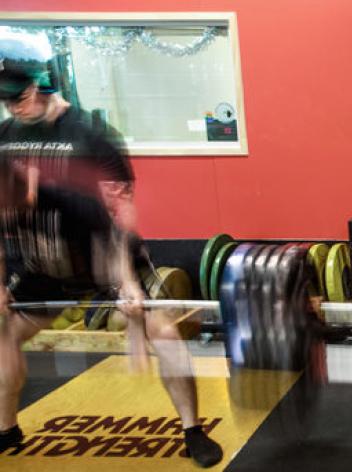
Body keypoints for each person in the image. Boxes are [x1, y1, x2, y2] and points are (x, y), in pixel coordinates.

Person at [0, 33, 222, 467]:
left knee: (163, 333)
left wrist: (126, 282)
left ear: (45, 83)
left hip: (105, 258)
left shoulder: (91, 135)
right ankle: (6, 430)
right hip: (43, 261)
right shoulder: (4, 137)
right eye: (5, 100)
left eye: (20, 96)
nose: (13, 107)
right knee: (6, 336)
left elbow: (120, 212)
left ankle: (192, 430)